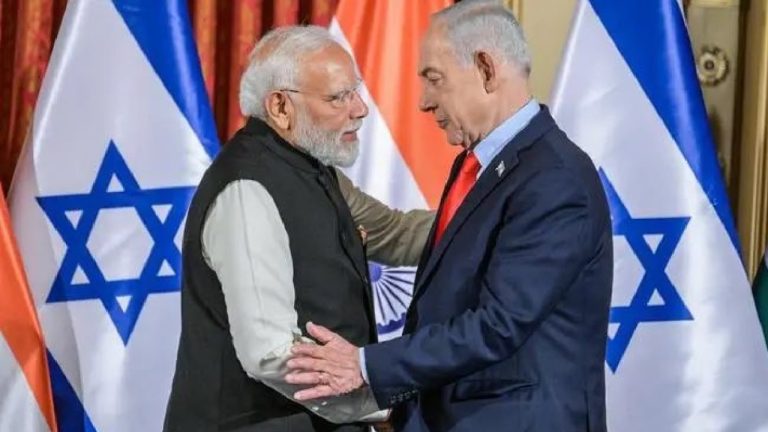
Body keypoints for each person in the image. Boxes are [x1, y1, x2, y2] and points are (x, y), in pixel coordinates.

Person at [286, 3, 614, 432]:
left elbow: (498, 325)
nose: (423, 101)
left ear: (486, 69)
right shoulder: (477, 166)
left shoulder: (555, 179)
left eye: (434, 79)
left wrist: (365, 365)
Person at [163, 25, 432, 432]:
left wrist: (495, 216)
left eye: (355, 92)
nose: (360, 109)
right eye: (338, 97)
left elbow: (395, 232)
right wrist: (378, 404)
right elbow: (271, 352)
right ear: (280, 106)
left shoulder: (313, 171)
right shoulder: (247, 189)